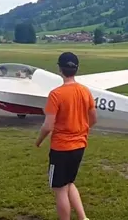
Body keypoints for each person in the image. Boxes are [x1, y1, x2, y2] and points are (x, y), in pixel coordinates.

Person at [35, 52, 97, 220]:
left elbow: (48, 126)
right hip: (79, 146)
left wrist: (38, 141)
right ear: (76, 69)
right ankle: (83, 218)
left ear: (59, 69)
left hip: (61, 148)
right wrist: (80, 130)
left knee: (60, 189)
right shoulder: (85, 91)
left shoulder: (56, 94)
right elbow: (93, 118)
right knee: (69, 183)